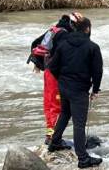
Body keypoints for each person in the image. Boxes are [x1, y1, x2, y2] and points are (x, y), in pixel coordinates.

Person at [47, 18, 104, 169]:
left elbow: (52, 66)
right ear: (87, 29)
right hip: (79, 90)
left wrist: (62, 79)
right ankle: (83, 158)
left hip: (64, 87)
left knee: (65, 114)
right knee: (79, 124)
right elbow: (97, 71)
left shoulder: (64, 44)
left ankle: (54, 142)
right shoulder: (92, 47)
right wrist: (95, 89)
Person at [28, 12, 84, 145]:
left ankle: (50, 134)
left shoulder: (54, 29)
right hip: (56, 73)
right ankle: (53, 137)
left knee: (49, 103)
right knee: (56, 104)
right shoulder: (64, 34)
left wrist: (38, 63)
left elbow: (35, 43)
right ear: (74, 24)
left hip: (48, 71)